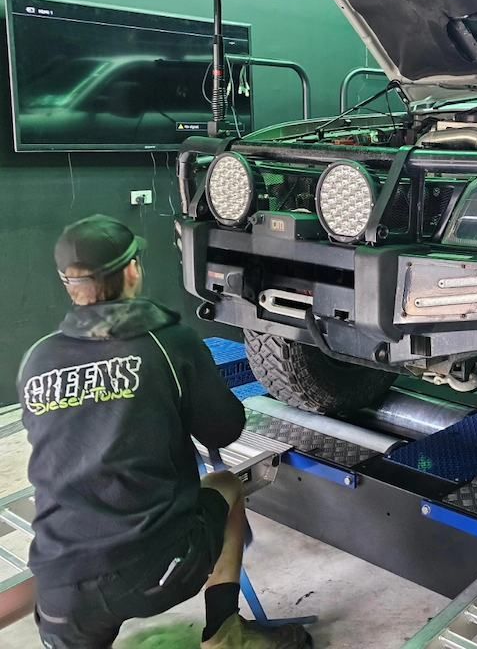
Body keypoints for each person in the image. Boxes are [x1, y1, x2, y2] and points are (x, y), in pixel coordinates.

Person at [18, 215, 310, 649]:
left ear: (69, 285)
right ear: (132, 270)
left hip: (60, 584)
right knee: (225, 484)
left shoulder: (36, 360)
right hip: (154, 570)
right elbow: (225, 428)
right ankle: (225, 637)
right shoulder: (166, 342)